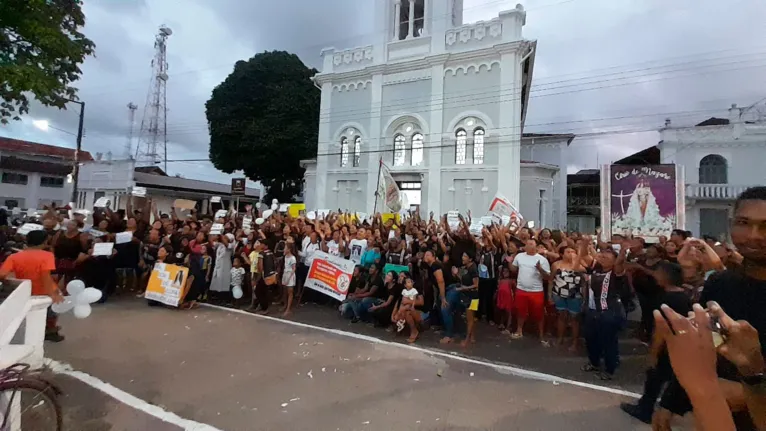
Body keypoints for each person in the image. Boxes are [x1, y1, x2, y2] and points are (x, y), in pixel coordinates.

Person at [655, 186, 766, 431]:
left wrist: (748, 389)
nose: (754, 235)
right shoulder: (721, 284)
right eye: (744, 223)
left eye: (765, 226)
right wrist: (671, 401)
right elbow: (703, 345)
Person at [621, 261, 692, 424]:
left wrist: (653, 353)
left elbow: (661, 330)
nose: (655, 275)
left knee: (654, 378)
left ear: (666, 276)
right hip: (679, 346)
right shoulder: (684, 296)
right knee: (669, 378)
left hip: (666, 347)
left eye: (658, 273)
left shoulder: (666, 299)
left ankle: (645, 410)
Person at [0, 230, 65, 341]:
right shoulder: (47, 255)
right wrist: (53, 293)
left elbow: (2, 274)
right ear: (44, 242)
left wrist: (9, 281)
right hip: (43, 290)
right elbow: (46, 277)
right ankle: (50, 331)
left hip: (25, 291)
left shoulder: (14, 257)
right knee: (52, 311)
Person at [581, 246, 628, 380]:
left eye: (607, 257)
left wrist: (623, 250)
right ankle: (594, 363)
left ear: (614, 261)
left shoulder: (615, 273)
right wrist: (585, 243)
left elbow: (619, 263)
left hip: (609, 313)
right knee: (591, 339)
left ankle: (609, 369)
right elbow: (585, 255)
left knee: (608, 342)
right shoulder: (596, 269)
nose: (602, 257)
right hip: (593, 310)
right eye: (601, 256)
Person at [510, 239, 551, 343]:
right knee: (520, 311)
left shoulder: (542, 259)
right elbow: (513, 269)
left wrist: (540, 269)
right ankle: (519, 330)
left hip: (536, 291)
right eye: (528, 244)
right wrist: (510, 260)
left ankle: (541, 335)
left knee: (539, 314)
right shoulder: (519, 256)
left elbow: (547, 277)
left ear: (536, 247)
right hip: (521, 289)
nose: (530, 246)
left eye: (532, 244)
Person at [550, 245, 587, 351]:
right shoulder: (556, 265)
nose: (571, 253)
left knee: (574, 319)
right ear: (562, 254)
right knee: (561, 316)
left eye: (573, 251)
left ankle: (575, 342)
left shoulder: (580, 267)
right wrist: (550, 294)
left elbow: (584, 284)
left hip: (575, 296)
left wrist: (584, 298)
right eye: (568, 251)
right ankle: (560, 338)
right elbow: (551, 280)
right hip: (559, 294)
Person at [281, 243, 297, 316]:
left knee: (290, 292)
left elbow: (294, 269)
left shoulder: (293, 258)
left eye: (285, 248)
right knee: (284, 291)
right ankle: (285, 305)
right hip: (285, 273)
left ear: (289, 249)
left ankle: (288, 309)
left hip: (290, 274)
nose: (284, 249)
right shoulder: (285, 256)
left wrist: (288, 278)